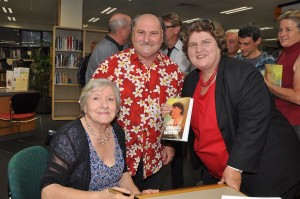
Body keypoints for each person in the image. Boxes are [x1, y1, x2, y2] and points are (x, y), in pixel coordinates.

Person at [167, 19, 300, 198]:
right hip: (216, 171)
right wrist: (172, 121)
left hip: (262, 169)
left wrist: (235, 166)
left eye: (206, 42)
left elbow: (253, 124)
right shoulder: (191, 81)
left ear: (219, 45)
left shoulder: (243, 74)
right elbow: (189, 118)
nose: (199, 49)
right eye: (193, 44)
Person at [92, 14, 185, 191]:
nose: (147, 39)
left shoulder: (174, 72)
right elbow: (90, 107)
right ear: (132, 34)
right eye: (141, 32)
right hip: (117, 157)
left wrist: (170, 144)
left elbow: (177, 113)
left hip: (156, 158)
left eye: (153, 33)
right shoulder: (112, 66)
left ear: (162, 36)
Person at [41, 79, 158, 199]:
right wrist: (101, 196)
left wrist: (139, 196)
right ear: (84, 105)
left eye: (110, 99)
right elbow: (48, 192)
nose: (104, 105)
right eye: (96, 98)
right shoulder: (69, 136)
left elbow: (123, 175)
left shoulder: (117, 131)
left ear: (117, 108)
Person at [161, 12, 192, 189]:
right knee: (164, 148)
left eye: (165, 27)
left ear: (177, 29)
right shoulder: (162, 51)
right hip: (163, 105)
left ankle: (178, 188)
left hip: (179, 105)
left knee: (178, 152)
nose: (163, 31)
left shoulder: (187, 51)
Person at [264, 10, 300, 141]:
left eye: (288, 29)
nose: (282, 34)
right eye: (280, 30)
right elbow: (277, 86)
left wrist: (269, 86)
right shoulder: (283, 54)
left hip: (296, 125)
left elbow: (298, 96)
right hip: (281, 120)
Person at [85, 13, 132, 84]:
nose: (131, 32)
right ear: (121, 31)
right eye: (129, 28)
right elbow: (114, 79)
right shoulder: (105, 49)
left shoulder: (120, 46)